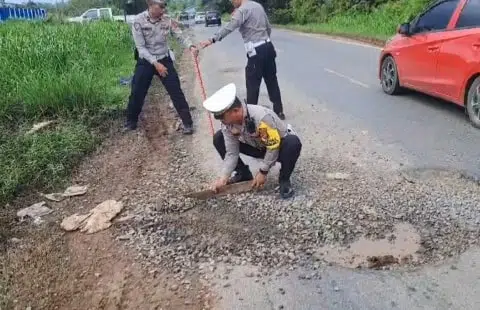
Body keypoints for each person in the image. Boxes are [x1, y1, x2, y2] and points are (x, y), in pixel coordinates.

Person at [203, 83, 302, 199]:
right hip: (257, 147)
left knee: (293, 143)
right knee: (218, 138)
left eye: (223, 117)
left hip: (277, 147)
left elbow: (273, 146)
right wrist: (223, 177)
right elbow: (231, 153)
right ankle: (243, 174)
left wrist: (263, 172)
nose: (222, 121)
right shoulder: (227, 124)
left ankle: (284, 180)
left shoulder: (261, 118)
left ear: (235, 111)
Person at [199, 0, 286, 120]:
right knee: (272, 80)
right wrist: (265, 41)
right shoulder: (257, 6)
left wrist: (212, 39)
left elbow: (230, 27)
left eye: (232, 1)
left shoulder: (242, 10)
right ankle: (279, 111)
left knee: (252, 84)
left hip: (256, 51)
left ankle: (251, 115)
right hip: (268, 46)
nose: (231, 3)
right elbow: (268, 27)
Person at [126, 0, 199, 134]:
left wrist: (190, 46)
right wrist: (155, 63)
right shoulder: (138, 21)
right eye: (160, 6)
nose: (163, 9)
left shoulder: (167, 20)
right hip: (146, 61)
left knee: (176, 92)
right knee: (137, 92)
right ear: (150, 5)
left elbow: (179, 35)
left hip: (164, 59)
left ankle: (188, 123)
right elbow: (141, 48)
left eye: (164, 6)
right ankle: (130, 122)